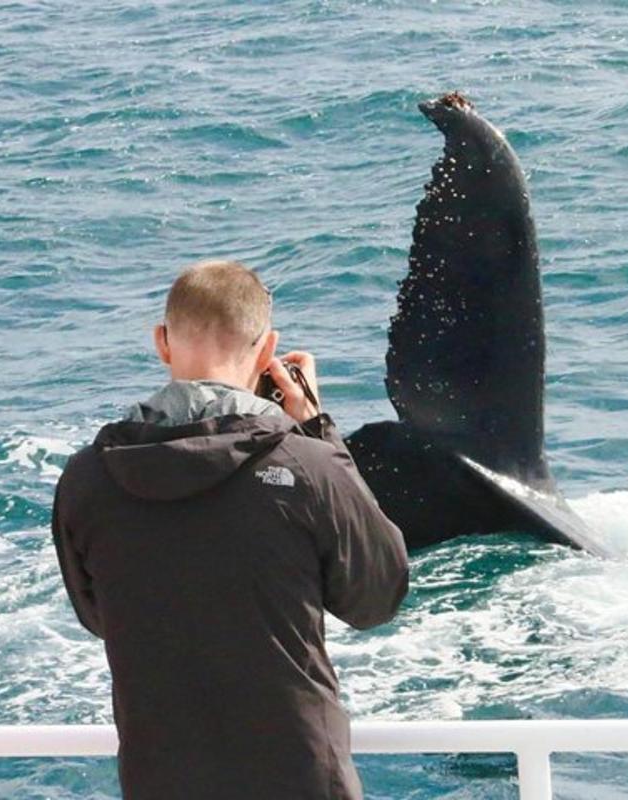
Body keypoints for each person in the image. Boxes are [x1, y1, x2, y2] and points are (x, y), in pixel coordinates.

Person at [51, 259, 409, 799]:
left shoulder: (87, 480)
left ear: (162, 342)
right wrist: (317, 429)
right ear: (266, 351)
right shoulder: (306, 467)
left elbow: (101, 617)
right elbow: (377, 596)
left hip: (161, 781)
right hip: (301, 778)